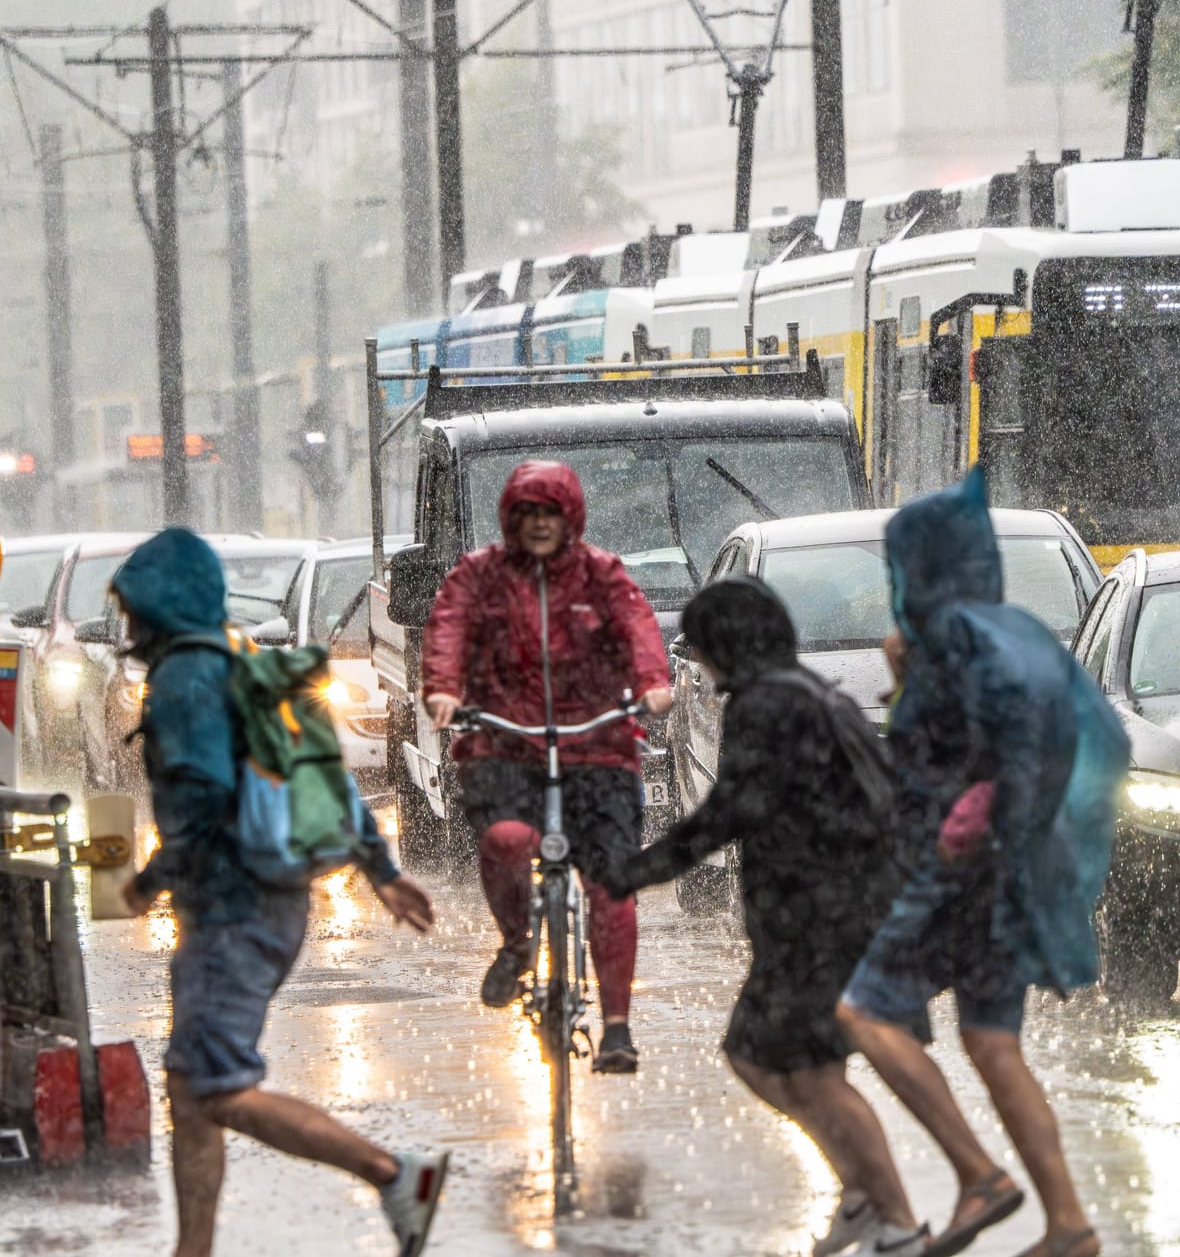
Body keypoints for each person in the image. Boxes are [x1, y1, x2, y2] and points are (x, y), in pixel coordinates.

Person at [112, 528, 446, 1257]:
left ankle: (394, 1174)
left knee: (217, 1087)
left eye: (132, 607)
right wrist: (380, 871)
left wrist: (148, 882)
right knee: (191, 1086)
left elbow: (202, 804)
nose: (127, 624)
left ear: (159, 607)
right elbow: (324, 772)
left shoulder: (184, 681)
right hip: (269, 898)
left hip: (233, 909)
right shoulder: (240, 662)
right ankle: (192, 1249)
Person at [835, 468, 1129, 1257]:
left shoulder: (955, 641)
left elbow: (941, 757)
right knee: (994, 1046)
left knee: (860, 1011)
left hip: (956, 875)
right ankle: (1068, 1225)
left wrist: (969, 819)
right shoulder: (1016, 631)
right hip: (1013, 875)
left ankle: (978, 1175)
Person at [596, 577, 923, 1256]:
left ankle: (894, 1218)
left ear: (727, 645)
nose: (700, 663)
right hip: (845, 909)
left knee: (765, 1056)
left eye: (703, 646)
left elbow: (731, 812)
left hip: (824, 917)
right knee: (806, 1068)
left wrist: (639, 871)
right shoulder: (809, 690)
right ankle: (865, 1201)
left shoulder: (764, 704)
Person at [421, 460, 672, 1073]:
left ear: (570, 518)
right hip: (505, 748)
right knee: (507, 840)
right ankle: (517, 943)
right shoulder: (477, 577)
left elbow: (638, 628)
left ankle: (616, 1026)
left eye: (550, 514)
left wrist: (653, 683)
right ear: (510, 518)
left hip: (598, 749)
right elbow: (448, 630)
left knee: (611, 886)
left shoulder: (602, 575)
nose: (538, 525)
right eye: (527, 513)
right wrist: (444, 689)